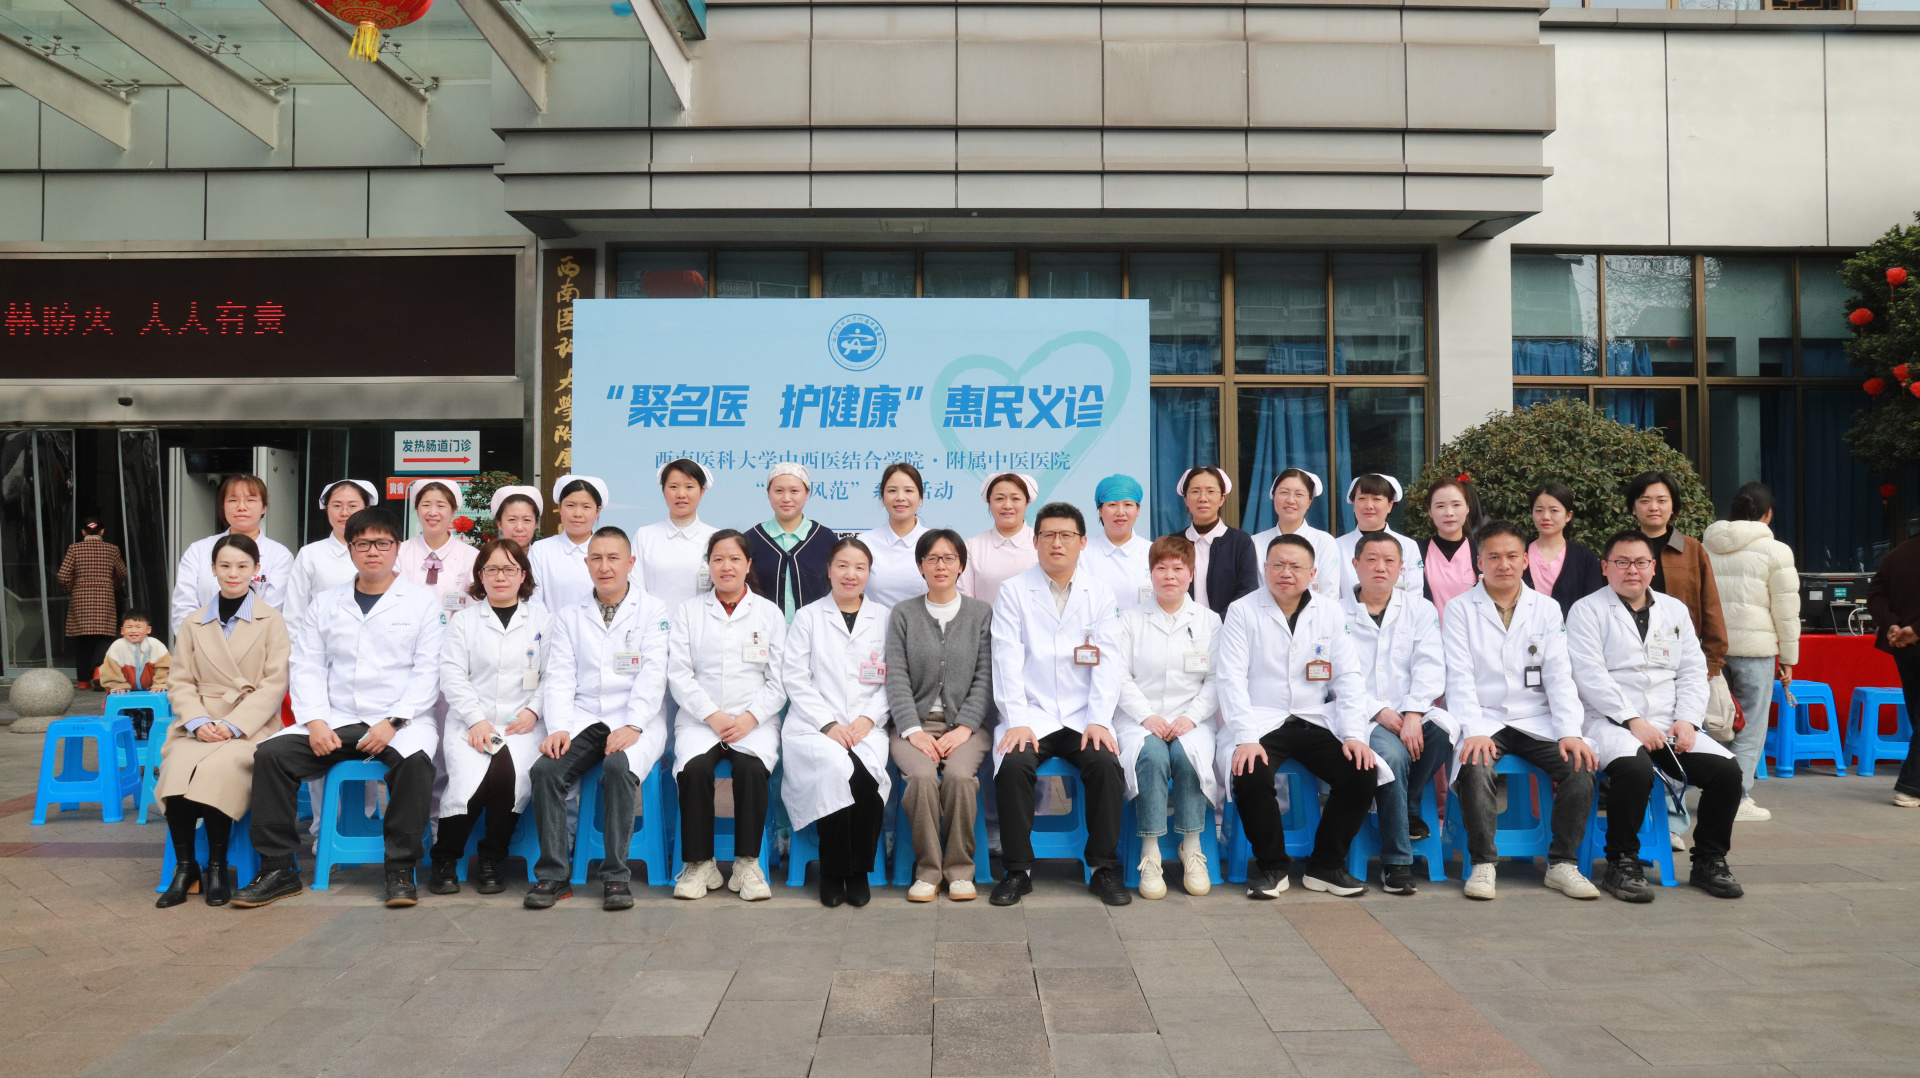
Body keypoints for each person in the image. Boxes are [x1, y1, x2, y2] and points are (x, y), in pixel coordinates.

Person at [233, 508, 443, 910]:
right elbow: (307, 665)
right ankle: (279, 868)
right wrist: (315, 722)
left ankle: (400, 868)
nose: (372, 552)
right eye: (362, 544)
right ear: (350, 550)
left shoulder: (422, 603)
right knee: (272, 756)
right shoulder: (326, 603)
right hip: (337, 717)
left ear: (397, 547)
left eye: (382, 543)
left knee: (415, 764)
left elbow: (428, 670)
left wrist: (394, 721)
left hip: (401, 720)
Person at [1567, 531, 1746, 902]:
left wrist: (1688, 720)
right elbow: (1589, 676)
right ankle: (1622, 862)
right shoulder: (1587, 610)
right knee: (1635, 770)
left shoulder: (1674, 610)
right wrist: (1633, 721)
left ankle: (1709, 860)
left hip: (1669, 723)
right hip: (1609, 722)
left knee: (1727, 772)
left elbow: (1693, 670)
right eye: (1622, 562)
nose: (1632, 570)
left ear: (1652, 567)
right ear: (1605, 567)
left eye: (1640, 563)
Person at [1443, 520, 1599, 902]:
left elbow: (1559, 675)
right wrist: (1473, 730)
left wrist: (1569, 731)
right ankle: (1483, 863)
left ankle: (1562, 864)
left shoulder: (1546, 608)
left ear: (1525, 560)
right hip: (1485, 716)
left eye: (1512, 556)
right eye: (1494, 557)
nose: (1504, 564)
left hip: (1536, 718)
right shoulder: (1460, 609)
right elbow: (1458, 677)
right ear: (1479, 562)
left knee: (1579, 767)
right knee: (1476, 765)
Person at [1218, 533, 1377, 899]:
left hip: (1313, 716)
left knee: (1360, 771)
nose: (1285, 572)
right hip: (1260, 718)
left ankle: (1325, 865)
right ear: (1265, 568)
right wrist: (1245, 737)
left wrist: (1354, 734)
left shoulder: (1329, 611)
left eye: (1295, 566)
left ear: (1312, 573)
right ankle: (1272, 867)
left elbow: (1349, 677)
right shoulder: (1242, 610)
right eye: (1278, 564)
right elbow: (1230, 679)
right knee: (1251, 772)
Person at [988, 501, 1131, 907]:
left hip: (1083, 714)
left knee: (1105, 764)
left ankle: (1102, 868)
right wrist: (1016, 719)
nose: (1057, 543)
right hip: (1030, 713)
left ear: (1082, 542)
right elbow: (1006, 659)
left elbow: (1108, 662)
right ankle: (1018, 871)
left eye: (1066, 535)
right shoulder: (1014, 591)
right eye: (1048, 535)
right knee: (1014, 765)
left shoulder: (1099, 593)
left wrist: (1099, 719)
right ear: (1034, 541)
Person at [526, 526, 672, 912]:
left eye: (613, 558)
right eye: (596, 558)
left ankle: (615, 876)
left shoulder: (653, 610)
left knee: (618, 767)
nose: (604, 567)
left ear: (630, 563)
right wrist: (559, 727)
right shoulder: (569, 616)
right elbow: (560, 675)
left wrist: (634, 724)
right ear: (587, 563)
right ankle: (554, 875)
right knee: (546, 770)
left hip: (637, 715)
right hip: (585, 715)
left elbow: (653, 673)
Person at [156, 535, 291, 908]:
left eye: (242, 566)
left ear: (256, 570)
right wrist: (198, 721)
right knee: (176, 768)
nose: (233, 573)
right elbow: (180, 681)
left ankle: (217, 866)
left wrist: (232, 726)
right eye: (225, 565)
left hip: (251, 727)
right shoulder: (193, 622)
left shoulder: (272, 621)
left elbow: (274, 684)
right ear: (213, 569)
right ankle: (186, 869)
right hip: (197, 725)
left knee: (219, 769)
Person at [426, 539, 550, 896]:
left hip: (521, 724)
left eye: (509, 569)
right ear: (480, 575)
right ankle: (445, 858)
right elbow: (452, 675)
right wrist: (476, 719)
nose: (500, 576)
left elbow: (554, 674)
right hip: (471, 721)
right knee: (470, 784)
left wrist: (533, 710)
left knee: (509, 778)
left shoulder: (543, 621)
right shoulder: (465, 621)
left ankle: (492, 858)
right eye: (492, 569)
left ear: (523, 575)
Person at [667, 530, 785, 902]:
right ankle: (700, 865)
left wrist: (751, 717)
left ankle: (747, 864)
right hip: (701, 720)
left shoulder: (769, 613)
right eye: (718, 559)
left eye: (735, 559)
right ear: (709, 565)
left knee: (750, 770)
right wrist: (712, 715)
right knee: (694, 771)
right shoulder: (688, 611)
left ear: (748, 565)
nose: (726, 566)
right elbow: (679, 674)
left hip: (754, 721)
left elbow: (780, 679)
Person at [781, 536, 893, 908]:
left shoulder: (885, 618)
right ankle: (832, 871)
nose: (850, 574)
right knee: (833, 769)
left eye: (860, 567)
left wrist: (868, 718)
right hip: (814, 726)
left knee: (864, 775)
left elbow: (895, 679)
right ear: (828, 570)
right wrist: (828, 724)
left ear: (869, 573)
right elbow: (795, 677)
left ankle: (858, 872)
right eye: (842, 566)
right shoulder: (808, 617)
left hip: (866, 725)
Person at [884, 528, 994, 901]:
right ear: (920, 566)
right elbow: (896, 677)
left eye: (949, 558)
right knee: (921, 779)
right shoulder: (904, 613)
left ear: (961, 565)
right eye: (931, 558)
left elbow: (985, 676)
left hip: (967, 727)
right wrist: (912, 730)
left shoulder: (980, 613)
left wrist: (964, 727)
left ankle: (960, 871)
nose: (940, 565)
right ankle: (928, 871)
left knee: (960, 779)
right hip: (913, 726)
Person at [1343, 532, 1455, 895]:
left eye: (1389, 560)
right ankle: (1396, 861)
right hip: (1362, 715)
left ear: (1401, 568)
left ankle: (1406, 806)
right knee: (1390, 757)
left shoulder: (1420, 609)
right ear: (1355, 564)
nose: (1380, 567)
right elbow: (1333, 675)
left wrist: (1412, 712)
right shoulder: (1333, 612)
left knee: (1445, 731)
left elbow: (1430, 664)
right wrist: (1378, 711)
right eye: (1371, 559)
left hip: (1412, 711)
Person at [1113, 535, 1221, 900]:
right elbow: (1119, 676)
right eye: (1161, 568)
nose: (1169, 576)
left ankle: (1192, 846)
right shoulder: (1129, 619)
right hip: (1139, 719)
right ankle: (1150, 852)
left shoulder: (1208, 621)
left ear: (1191, 573)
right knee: (1152, 756)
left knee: (1188, 757)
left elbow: (1216, 679)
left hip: (1192, 720)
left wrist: (1191, 717)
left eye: (1178, 568)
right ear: (1151, 573)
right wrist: (1147, 717)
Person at [1703, 482, 1800, 823]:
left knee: (1714, 723)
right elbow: (1786, 611)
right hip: (1755, 651)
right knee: (1751, 727)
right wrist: (1789, 658)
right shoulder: (1777, 551)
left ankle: (1708, 790)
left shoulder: (1706, 544)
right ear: (1768, 515)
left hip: (1711, 648)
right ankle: (1736, 798)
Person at [169, 474, 295, 636]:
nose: (241, 507)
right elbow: (183, 607)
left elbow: (272, 613)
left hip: (255, 646)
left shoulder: (280, 556)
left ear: (264, 507)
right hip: (201, 645)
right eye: (233, 500)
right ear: (223, 505)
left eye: (250, 500)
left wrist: (237, 644)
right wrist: (205, 643)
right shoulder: (198, 550)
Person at [1867, 532, 1920, 809]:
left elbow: (1875, 595)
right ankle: (1910, 787)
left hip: (1904, 648)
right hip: (1910, 640)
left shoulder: (1898, 553)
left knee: (1917, 715)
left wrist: (1892, 625)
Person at [284, 480, 377, 632]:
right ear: (326, 509)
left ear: (366, 509)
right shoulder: (310, 554)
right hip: (321, 642)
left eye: (352, 506)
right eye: (337, 506)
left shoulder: (382, 552)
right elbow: (294, 614)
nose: (344, 512)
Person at [747, 462, 836, 621]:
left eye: (794, 491)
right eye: (778, 491)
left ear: (807, 493)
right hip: (761, 631)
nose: (786, 498)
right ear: (768, 493)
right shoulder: (751, 539)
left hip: (816, 631)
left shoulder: (825, 538)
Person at [528, 474, 619, 613]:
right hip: (552, 626)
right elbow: (533, 601)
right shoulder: (541, 550)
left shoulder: (612, 550)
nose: (577, 513)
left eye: (586, 507)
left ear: (598, 511)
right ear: (560, 507)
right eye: (570, 505)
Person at [1248, 469, 1342, 604]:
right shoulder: (1255, 542)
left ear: (1309, 501)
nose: (1290, 500)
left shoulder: (1324, 542)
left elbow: (1329, 597)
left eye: (1299, 494)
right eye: (1284, 492)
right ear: (1274, 497)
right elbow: (1252, 596)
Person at [636, 459, 720, 609]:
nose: (681, 494)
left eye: (689, 487)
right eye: (673, 487)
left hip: (701, 621)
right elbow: (635, 588)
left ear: (702, 492)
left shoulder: (716, 538)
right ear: (663, 491)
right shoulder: (645, 536)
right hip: (652, 622)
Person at [1178, 466, 1259, 619]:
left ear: (1222, 498)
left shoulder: (1240, 542)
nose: (1203, 498)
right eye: (1195, 491)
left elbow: (1247, 592)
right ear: (1185, 499)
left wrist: (1217, 624)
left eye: (1211, 491)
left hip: (1228, 627)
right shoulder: (1173, 543)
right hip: (1180, 628)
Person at [57, 516, 126, 690]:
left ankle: (82, 681)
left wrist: (73, 588)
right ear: (102, 531)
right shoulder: (112, 549)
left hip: (80, 598)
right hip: (105, 597)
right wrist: (113, 585)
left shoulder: (74, 549)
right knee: (104, 636)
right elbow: (122, 573)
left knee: (82, 639)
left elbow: (63, 575)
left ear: (83, 532)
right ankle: (97, 670)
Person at [398, 479, 480, 625]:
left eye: (441, 505)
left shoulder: (471, 556)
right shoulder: (399, 553)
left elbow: (475, 607)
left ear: (453, 512)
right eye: (426, 505)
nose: (432, 512)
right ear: (417, 509)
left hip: (455, 636)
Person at [1521, 482, 1604, 616]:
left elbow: (1594, 605)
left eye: (1554, 510)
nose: (1546, 517)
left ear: (1568, 516)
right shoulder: (1517, 554)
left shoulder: (1585, 558)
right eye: (1539, 510)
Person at [858, 461, 932, 610]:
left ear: (920, 498)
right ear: (882, 498)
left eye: (908, 491)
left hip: (923, 624)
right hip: (875, 624)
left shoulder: (934, 542)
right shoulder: (865, 543)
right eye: (892, 491)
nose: (900, 497)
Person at [957, 472, 1038, 605]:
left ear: (1026, 503)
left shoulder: (1042, 543)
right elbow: (963, 594)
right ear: (989, 503)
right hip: (984, 619)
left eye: (1015, 498)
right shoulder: (973, 547)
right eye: (999, 499)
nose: (1007, 505)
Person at [1336, 474, 1422, 597]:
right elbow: (1330, 597)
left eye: (1376, 499)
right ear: (1353, 504)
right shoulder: (1336, 546)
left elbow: (1415, 596)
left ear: (1389, 505)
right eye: (1362, 498)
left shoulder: (1408, 546)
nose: (1369, 505)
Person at [1083, 474, 1153, 613]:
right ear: (1100, 510)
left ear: (1138, 509)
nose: (1120, 512)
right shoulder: (1082, 552)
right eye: (1112, 505)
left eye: (1128, 505)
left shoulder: (1152, 551)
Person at [1421, 477, 1483, 618]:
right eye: (1440, 506)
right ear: (1430, 511)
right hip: (1429, 631)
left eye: (1456, 505)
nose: (1449, 512)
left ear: (1467, 508)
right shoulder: (1417, 551)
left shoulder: (1481, 551)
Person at [98, 609, 169, 694]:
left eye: (138, 627)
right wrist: (117, 686)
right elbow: (110, 670)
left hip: (155, 691)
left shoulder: (155, 644)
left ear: (148, 629)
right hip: (123, 692)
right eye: (129, 627)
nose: (133, 630)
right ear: (122, 630)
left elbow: (166, 667)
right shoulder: (117, 646)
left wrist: (161, 684)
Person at [491, 485, 543, 553]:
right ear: (499, 524)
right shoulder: (488, 557)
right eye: (512, 520)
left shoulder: (545, 557)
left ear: (535, 524)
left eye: (527, 520)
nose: (519, 528)